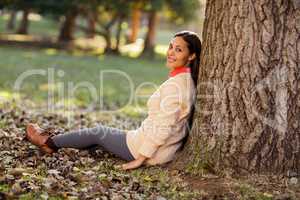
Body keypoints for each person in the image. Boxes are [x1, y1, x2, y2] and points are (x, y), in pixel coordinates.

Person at [26, 30, 202, 170]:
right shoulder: (185, 81)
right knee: (100, 138)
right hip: (155, 146)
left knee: (98, 132)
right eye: (171, 46)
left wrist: (140, 159)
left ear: (192, 55)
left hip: (148, 151)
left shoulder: (176, 86)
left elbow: (164, 126)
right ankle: (56, 141)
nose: (170, 52)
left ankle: (47, 142)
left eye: (178, 49)